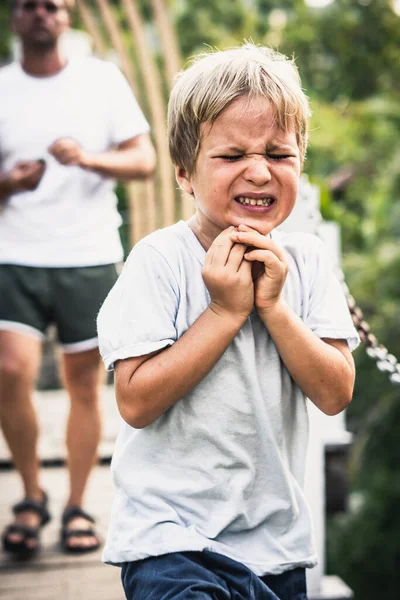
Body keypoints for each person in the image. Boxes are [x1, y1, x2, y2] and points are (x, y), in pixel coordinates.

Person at [97, 43, 359, 599]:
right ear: (185, 173)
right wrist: (224, 312)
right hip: (169, 539)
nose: (259, 171)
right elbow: (135, 401)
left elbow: (335, 392)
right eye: (232, 154)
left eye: (280, 154)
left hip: (277, 544)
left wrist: (273, 308)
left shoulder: (307, 261)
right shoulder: (160, 260)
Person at [0, 0, 155, 556]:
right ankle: (32, 493)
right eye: (28, 6)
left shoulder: (101, 80)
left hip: (87, 254)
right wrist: (10, 184)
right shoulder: (3, 87)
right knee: (9, 370)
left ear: (66, 17)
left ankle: (76, 505)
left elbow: (145, 161)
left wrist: (90, 159)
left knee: (84, 384)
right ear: (14, 18)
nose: (40, 14)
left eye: (52, 5)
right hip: (13, 254)